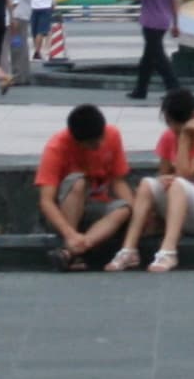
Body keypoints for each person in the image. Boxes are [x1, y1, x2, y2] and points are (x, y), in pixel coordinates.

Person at [117, 86, 194, 271]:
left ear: (193, 116)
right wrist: (162, 180)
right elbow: (164, 174)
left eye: (176, 124)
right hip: (183, 213)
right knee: (147, 184)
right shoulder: (168, 136)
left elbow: (185, 175)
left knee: (179, 184)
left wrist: (185, 139)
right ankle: (128, 249)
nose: (173, 129)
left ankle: (168, 252)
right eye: (169, 123)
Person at [36, 101, 138, 269]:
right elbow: (46, 201)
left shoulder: (112, 135)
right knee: (78, 182)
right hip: (64, 213)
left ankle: (71, 252)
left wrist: (136, 214)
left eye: (101, 138)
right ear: (77, 141)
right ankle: (72, 244)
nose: (98, 145)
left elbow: (118, 181)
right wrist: (69, 233)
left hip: (96, 212)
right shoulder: (56, 147)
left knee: (124, 208)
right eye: (92, 144)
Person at [129, 0, 183, 101]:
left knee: (159, 57)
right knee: (148, 58)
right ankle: (140, 90)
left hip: (151, 21)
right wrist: (176, 24)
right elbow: (174, 0)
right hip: (164, 21)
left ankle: (174, 90)